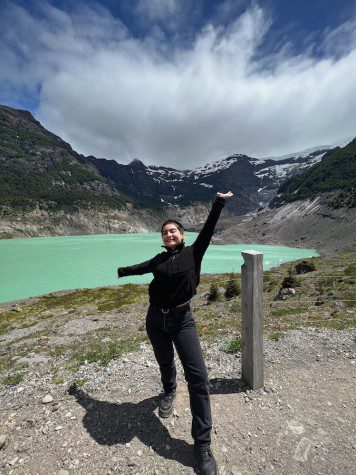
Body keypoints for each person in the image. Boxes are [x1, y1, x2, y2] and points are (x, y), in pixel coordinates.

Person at [117, 191, 233, 475]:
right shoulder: (158, 259)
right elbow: (141, 268)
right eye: (165, 232)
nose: (169, 234)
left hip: (183, 320)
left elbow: (208, 229)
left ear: (181, 235)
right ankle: (169, 391)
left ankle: (203, 446)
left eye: (173, 231)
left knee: (199, 379)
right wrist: (120, 271)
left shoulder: (195, 252)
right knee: (165, 362)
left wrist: (218, 203)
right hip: (155, 319)